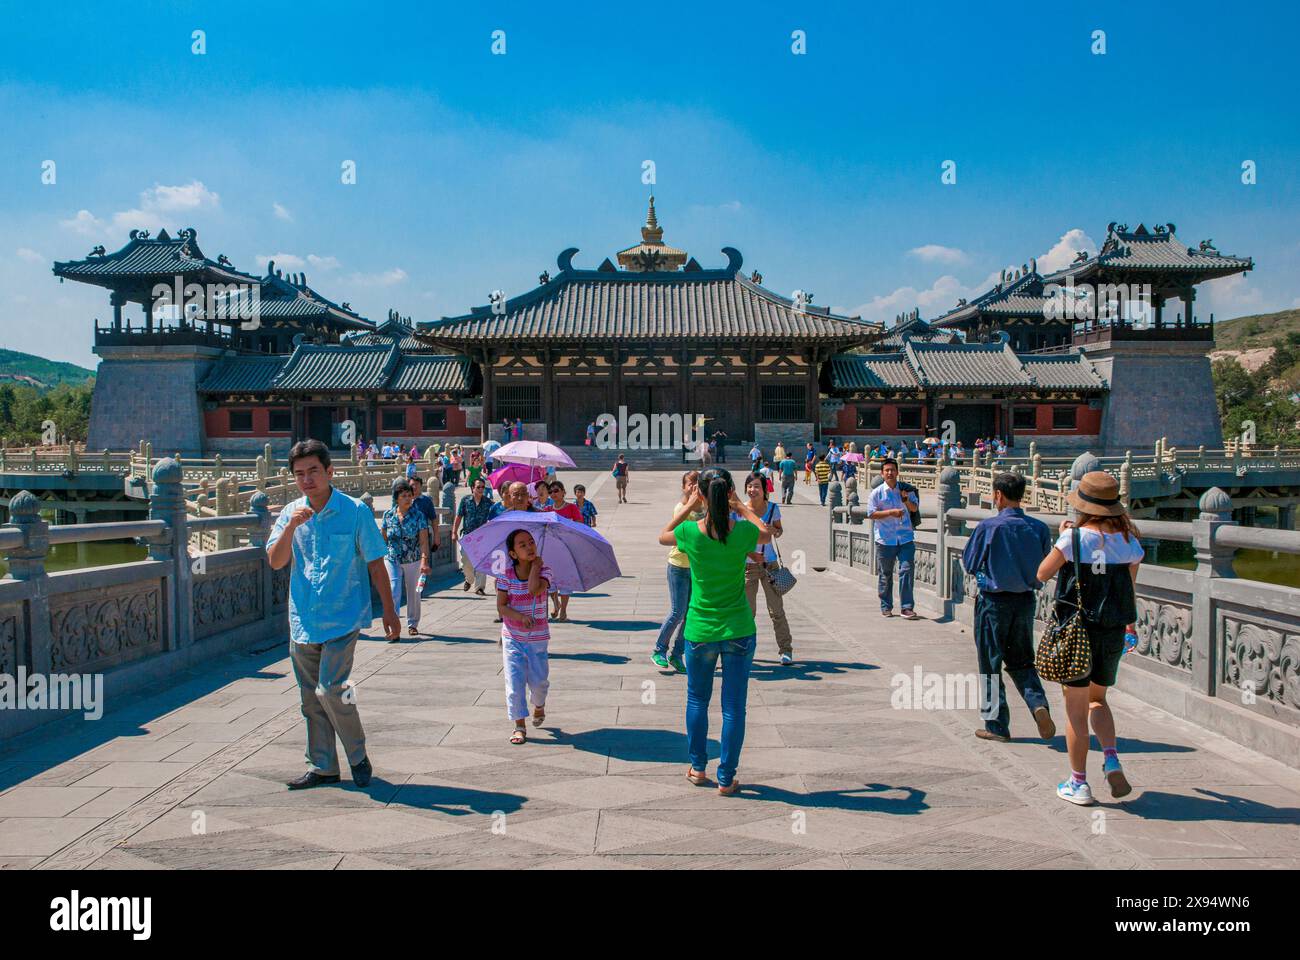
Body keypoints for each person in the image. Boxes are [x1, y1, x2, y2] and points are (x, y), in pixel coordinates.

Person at [266, 439, 399, 790]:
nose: (307, 479)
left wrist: (389, 610)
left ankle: (357, 755)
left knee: (331, 689)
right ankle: (322, 765)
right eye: (299, 474)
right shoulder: (290, 513)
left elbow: (375, 562)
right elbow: (276, 561)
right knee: (310, 699)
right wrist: (292, 526)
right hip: (303, 618)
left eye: (313, 471)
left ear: (329, 471)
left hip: (343, 616)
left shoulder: (354, 511)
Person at [657, 468, 772, 795]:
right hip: (738, 628)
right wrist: (742, 507)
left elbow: (663, 534)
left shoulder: (691, 533)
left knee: (697, 699)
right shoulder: (743, 533)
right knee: (734, 706)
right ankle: (726, 776)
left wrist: (690, 504)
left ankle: (697, 766)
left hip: (700, 629)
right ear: (731, 493)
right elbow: (767, 532)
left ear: (703, 495)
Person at [1036, 471, 1142, 806]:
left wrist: (1062, 536)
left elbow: (1042, 573)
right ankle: (1110, 758)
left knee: (1076, 711)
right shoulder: (1130, 542)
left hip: (1077, 632)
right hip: (1112, 631)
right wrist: (1129, 627)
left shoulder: (1074, 539)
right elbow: (1129, 587)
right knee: (1100, 700)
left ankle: (1078, 783)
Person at [961, 472, 1056, 744]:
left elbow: (970, 562)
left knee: (990, 664)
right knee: (1023, 660)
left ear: (998, 495)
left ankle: (996, 725)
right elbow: (1043, 567)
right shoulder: (1038, 528)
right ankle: (1038, 704)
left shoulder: (989, 527)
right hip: (1025, 601)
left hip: (993, 602)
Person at [496, 529, 552, 744]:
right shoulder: (505, 576)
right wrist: (518, 616)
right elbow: (501, 607)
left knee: (539, 683)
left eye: (531, 542)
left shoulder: (546, 571)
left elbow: (534, 589)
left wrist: (536, 567)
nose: (529, 547)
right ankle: (519, 725)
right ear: (512, 553)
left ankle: (539, 704)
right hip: (513, 636)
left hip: (538, 638)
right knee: (515, 682)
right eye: (522, 545)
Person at [738, 473, 793, 665]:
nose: (753, 490)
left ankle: (785, 650)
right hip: (748, 566)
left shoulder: (772, 509)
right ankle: (745, 649)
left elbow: (779, 530)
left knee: (776, 610)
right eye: (750, 486)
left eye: (757, 487)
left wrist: (774, 531)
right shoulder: (740, 510)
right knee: (747, 612)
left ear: (764, 490)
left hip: (770, 565)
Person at [652, 471, 701, 674]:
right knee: (677, 611)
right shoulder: (681, 508)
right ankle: (659, 650)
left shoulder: (706, 509)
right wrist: (692, 505)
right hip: (679, 567)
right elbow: (677, 537)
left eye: (698, 483)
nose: (694, 487)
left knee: (690, 615)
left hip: (697, 568)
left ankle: (677, 654)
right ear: (684, 487)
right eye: (691, 483)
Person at [867, 458, 918, 619]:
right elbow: (871, 514)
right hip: (885, 539)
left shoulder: (906, 490)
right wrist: (890, 513)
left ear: (897, 472)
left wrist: (905, 500)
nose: (890, 473)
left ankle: (907, 607)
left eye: (892, 470)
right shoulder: (876, 493)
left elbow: (914, 509)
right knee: (885, 574)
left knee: (906, 570)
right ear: (882, 474)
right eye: (887, 470)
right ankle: (886, 605)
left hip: (905, 538)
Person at [382, 479, 432, 638]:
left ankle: (412, 623)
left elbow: (424, 540)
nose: (408, 498)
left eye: (409, 495)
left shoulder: (418, 516)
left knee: (414, 592)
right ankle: (394, 625)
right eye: (404, 496)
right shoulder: (388, 515)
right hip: (392, 558)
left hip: (413, 558)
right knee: (393, 590)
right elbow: (383, 538)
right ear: (397, 498)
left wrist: (424, 560)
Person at [544, 481, 582, 621]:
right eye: (551, 492)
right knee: (550, 580)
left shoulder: (571, 508)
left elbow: (579, 525)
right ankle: (555, 604)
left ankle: (564, 610)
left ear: (563, 492)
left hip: (567, 549)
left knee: (565, 581)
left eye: (556, 490)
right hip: (550, 550)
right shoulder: (547, 509)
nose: (553, 494)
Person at [452, 476, 493, 594]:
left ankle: (480, 587)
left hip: (482, 537)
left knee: (481, 562)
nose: (481, 489)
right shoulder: (465, 500)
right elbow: (459, 516)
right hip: (467, 535)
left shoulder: (488, 503)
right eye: (478, 487)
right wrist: (454, 532)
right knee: (465, 561)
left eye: (483, 487)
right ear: (472, 488)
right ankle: (469, 579)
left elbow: (495, 516)